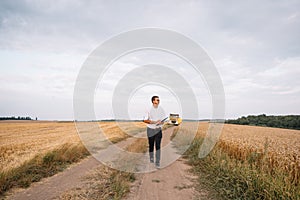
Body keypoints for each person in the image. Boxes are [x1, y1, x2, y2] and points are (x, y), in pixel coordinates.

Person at [143, 96, 166, 168]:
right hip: (150, 130)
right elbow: (145, 120)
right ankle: (151, 157)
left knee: (158, 146)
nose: (159, 101)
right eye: (157, 100)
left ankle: (157, 162)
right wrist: (154, 122)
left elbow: (163, 120)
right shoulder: (148, 109)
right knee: (151, 145)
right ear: (153, 101)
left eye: (159, 100)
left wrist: (162, 122)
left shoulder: (161, 110)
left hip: (158, 129)